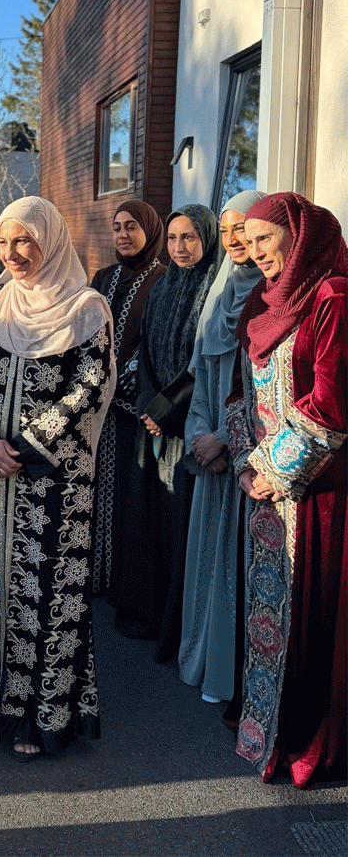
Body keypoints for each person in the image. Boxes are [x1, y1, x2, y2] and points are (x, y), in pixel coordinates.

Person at [0, 196, 115, 760]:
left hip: (54, 484)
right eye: (2, 242)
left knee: (44, 597)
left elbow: (88, 389)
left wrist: (23, 445)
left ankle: (39, 717)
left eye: (23, 241)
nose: (12, 253)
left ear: (50, 241)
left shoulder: (88, 308)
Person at [226, 192, 347, 788]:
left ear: (297, 237)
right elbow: (238, 392)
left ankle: (306, 741)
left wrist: (274, 468)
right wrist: (245, 462)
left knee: (313, 619)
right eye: (246, 242)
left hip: (319, 496)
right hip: (267, 490)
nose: (254, 253)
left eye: (264, 240)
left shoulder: (333, 298)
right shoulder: (261, 299)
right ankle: (267, 729)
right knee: (271, 616)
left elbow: (330, 406)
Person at [115, 204, 221, 662]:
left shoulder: (213, 291)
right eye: (174, 238)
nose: (179, 248)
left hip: (186, 427)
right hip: (152, 422)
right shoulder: (163, 288)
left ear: (207, 241)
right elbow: (147, 356)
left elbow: (202, 367)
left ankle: (175, 629)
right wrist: (148, 406)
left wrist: (168, 412)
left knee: (179, 526)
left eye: (190, 238)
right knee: (149, 521)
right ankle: (146, 614)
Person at [178, 191, 264, 703]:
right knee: (211, 561)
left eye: (247, 232)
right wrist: (200, 436)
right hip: (214, 453)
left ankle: (238, 678)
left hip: (250, 461)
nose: (235, 242)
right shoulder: (223, 292)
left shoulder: (277, 296)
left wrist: (228, 443)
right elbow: (206, 375)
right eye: (229, 231)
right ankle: (208, 660)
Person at [89, 199, 167, 599]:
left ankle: (124, 586)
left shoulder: (163, 280)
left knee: (130, 502)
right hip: (96, 412)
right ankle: (94, 578)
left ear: (149, 230)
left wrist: (120, 380)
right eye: (117, 227)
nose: (123, 234)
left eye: (132, 227)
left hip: (136, 413)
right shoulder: (102, 278)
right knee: (95, 493)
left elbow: (160, 344)